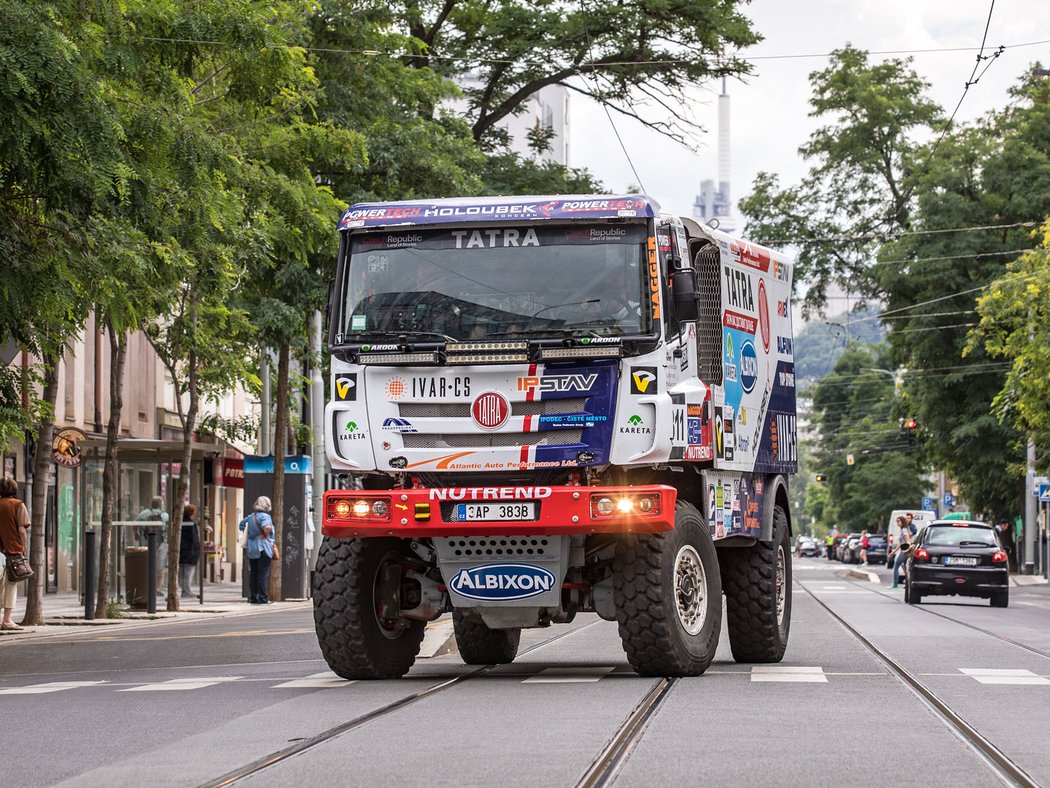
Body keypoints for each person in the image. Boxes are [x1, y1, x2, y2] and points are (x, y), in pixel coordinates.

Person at [0, 477, 30, 631]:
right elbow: (21, 530)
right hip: (12, 550)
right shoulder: (18, 505)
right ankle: (7, 620)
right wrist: (23, 548)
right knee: (10, 585)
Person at [239, 496, 276, 604]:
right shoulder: (265, 516)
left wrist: (252, 534)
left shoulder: (251, 516)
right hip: (264, 548)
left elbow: (241, 525)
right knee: (262, 575)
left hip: (252, 548)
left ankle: (253, 597)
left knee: (253, 574)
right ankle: (263, 598)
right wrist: (265, 534)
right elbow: (267, 527)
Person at [135, 496, 169, 592]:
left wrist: (136, 534)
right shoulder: (165, 515)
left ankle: (147, 586)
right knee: (160, 566)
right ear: (161, 505)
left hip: (146, 542)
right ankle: (157, 588)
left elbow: (135, 523)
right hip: (162, 543)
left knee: (147, 564)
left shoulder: (144, 514)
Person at [178, 504, 200, 599]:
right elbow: (194, 539)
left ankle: (184, 590)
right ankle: (186, 590)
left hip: (181, 551)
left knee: (182, 572)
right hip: (190, 551)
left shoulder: (179, 522)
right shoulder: (191, 523)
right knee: (188, 572)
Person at [890, 516, 912, 589]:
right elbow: (900, 543)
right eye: (896, 521)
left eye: (898, 521)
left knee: (896, 566)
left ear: (903, 522)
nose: (897, 523)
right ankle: (907, 584)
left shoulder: (904, 530)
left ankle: (895, 585)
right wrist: (893, 552)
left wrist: (906, 550)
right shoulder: (903, 530)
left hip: (904, 551)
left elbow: (908, 541)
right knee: (906, 568)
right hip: (904, 550)